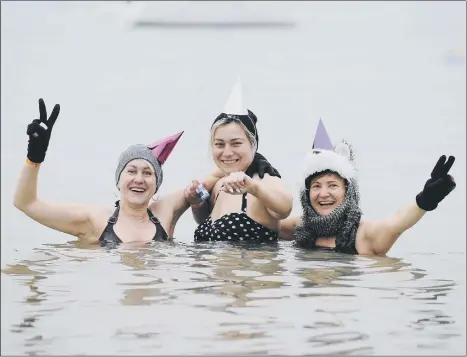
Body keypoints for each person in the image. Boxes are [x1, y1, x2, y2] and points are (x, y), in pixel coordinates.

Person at [13, 98, 225, 246]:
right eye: (131, 171)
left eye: (148, 173)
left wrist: (253, 157)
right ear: (118, 180)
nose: (139, 179)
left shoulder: (165, 211)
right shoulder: (95, 220)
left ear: (157, 185)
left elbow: (218, 172)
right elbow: (27, 204)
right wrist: (34, 158)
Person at [278, 119, 457, 255]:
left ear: (348, 192)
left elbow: (395, 224)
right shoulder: (300, 227)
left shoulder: (363, 235)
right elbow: (259, 223)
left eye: (332, 185)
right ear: (307, 194)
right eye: (316, 186)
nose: (323, 194)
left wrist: (425, 200)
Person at [193, 80, 293, 243]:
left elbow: (285, 208)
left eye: (236, 143)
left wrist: (253, 188)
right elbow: (202, 221)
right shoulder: (218, 184)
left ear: (253, 145)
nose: (227, 152)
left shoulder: (264, 180)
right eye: (219, 144)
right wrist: (196, 203)